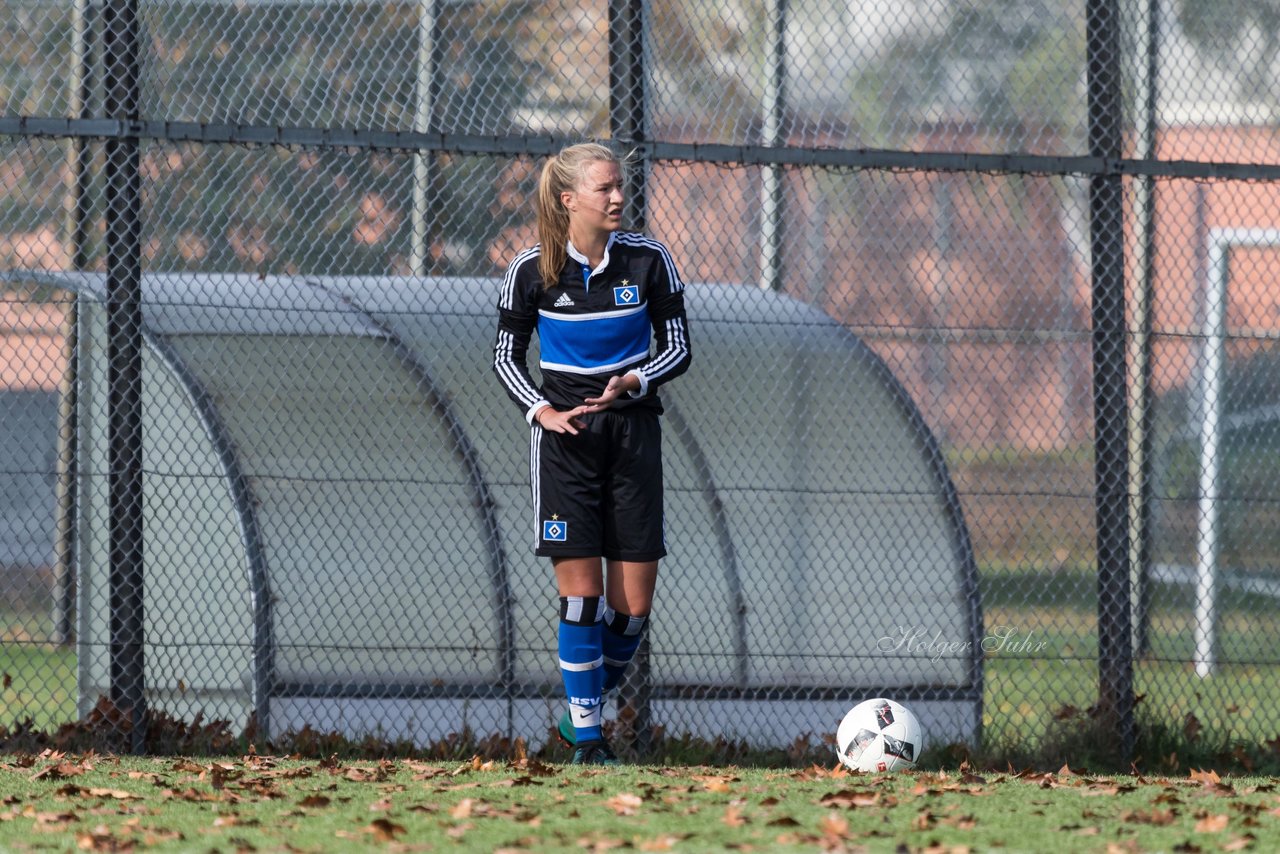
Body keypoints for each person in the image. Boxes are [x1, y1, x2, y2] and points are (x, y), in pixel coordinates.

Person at [493, 142, 692, 765]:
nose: (617, 197)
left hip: (632, 438)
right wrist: (543, 410)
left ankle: (578, 713)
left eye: (620, 186)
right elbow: (506, 356)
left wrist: (634, 382)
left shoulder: (649, 259)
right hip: (566, 448)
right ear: (567, 199)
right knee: (581, 601)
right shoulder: (530, 271)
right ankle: (589, 740)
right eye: (604, 188)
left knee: (631, 613)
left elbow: (679, 347)